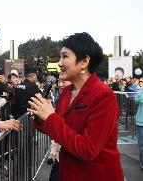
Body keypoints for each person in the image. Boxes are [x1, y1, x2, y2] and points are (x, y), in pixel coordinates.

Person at [28, 32, 124, 181]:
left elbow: (88, 150)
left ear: (84, 61)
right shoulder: (67, 91)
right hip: (68, 172)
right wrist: (40, 114)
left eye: (65, 57)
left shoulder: (104, 96)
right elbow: (57, 130)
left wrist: (50, 117)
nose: (59, 63)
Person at [135, 87, 143, 169]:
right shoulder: (140, 92)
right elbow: (137, 100)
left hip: (140, 121)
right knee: (141, 145)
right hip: (140, 122)